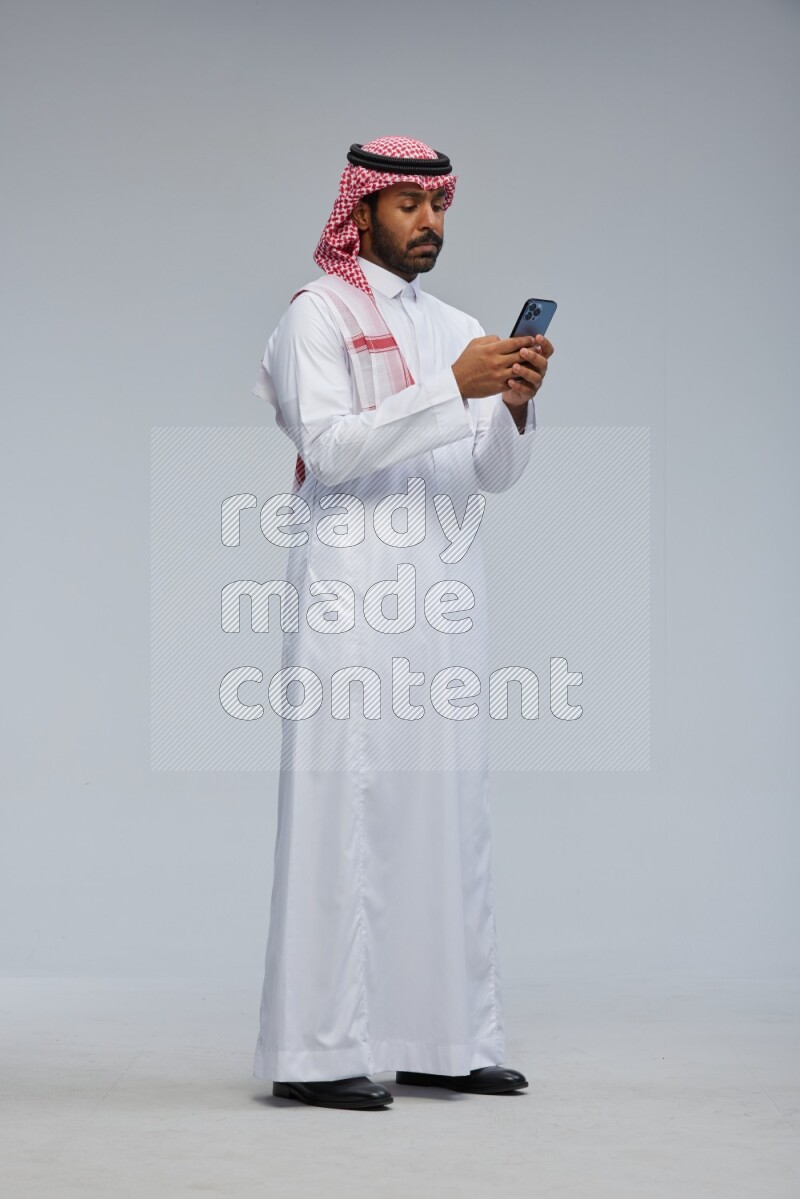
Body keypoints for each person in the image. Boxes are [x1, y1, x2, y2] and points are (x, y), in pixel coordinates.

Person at [251, 135, 554, 1110]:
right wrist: (451, 387)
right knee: (342, 810)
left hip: (442, 598)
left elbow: (488, 475)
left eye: (438, 206)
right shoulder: (316, 315)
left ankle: (446, 1036)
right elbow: (333, 450)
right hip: (350, 593)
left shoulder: (459, 326)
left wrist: (507, 406)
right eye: (408, 206)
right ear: (363, 210)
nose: (428, 223)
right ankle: (316, 1049)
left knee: (445, 811)